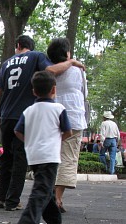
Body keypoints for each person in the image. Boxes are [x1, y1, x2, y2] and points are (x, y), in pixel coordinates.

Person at [0, 35, 83, 211]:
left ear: (17, 45)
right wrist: (71, 62)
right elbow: (51, 70)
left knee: (6, 157)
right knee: (20, 159)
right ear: (30, 46)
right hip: (22, 113)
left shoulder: (6, 63)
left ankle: (2, 197)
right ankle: (13, 201)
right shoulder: (36, 56)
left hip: (7, 115)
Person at [14, 71, 72, 224]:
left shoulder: (28, 110)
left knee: (46, 187)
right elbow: (67, 131)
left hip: (33, 154)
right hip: (50, 155)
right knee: (42, 188)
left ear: (33, 91)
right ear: (54, 89)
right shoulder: (59, 109)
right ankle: (28, 223)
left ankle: (53, 220)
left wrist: (29, 141)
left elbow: (17, 131)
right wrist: (57, 140)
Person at [47, 37, 88, 213]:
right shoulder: (78, 70)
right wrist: (72, 62)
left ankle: (52, 195)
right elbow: (84, 93)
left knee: (53, 157)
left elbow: (49, 72)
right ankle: (57, 198)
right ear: (67, 53)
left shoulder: (51, 70)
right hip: (74, 117)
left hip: (53, 117)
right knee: (68, 158)